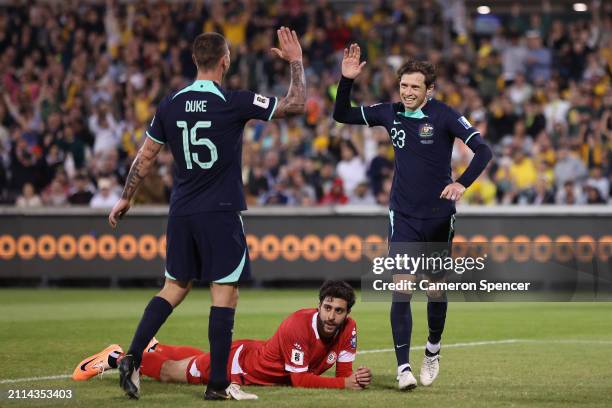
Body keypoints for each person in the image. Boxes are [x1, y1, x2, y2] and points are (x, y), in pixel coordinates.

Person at [107, 28, 306, 401]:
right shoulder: (234, 101)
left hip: (181, 211)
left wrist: (125, 198)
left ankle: (133, 356)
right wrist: (295, 62)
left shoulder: (170, 103)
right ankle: (217, 384)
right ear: (225, 60)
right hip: (220, 212)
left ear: (195, 61)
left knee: (174, 287)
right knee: (224, 294)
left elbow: (146, 155)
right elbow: (295, 105)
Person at [333, 45, 492, 390]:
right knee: (401, 290)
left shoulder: (446, 115)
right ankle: (404, 368)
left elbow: (484, 150)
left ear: (429, 90)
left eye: (415, 87)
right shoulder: (390, 113)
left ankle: (432, 349)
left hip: (438, 217)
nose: (407, 93)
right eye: (403, 86)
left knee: (435, 291)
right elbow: (342, 114)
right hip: (403, 215)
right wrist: (346, 80)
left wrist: (462, 183)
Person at [72, 281, 371, 391]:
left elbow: (344, 374)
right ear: (318, 306)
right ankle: (115, 358)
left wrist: (352, 379)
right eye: (327, 308)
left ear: (347, 313)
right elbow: (299, 379)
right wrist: (344, 384)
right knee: (171, 373)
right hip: (239, 367)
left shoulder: (350, 328)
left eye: (339, 311)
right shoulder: (298, 325)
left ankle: (153, 346)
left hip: (252, 353)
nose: (332, 316)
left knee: (195, 358)